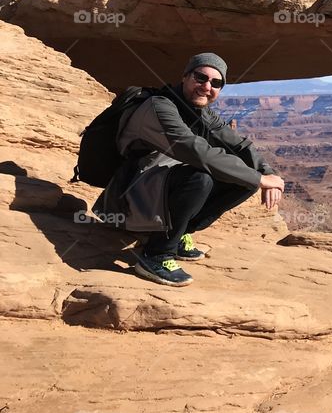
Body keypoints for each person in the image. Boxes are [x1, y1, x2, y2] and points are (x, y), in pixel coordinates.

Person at [94, 52, 285, 287]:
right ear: (185, 77)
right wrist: (260, 179)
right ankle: (155, 255)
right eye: (200, 77)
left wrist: (269, 174)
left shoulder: (202, 112)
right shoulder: (159, 106)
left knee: (242, 179)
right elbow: (194, 149)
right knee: (200, 177)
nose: (206, 86)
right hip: (127, 196)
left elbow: (238, 144)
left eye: (216, 83)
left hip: (157, 187)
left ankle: (179, 232)